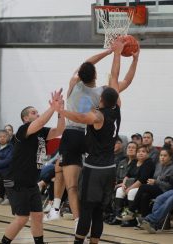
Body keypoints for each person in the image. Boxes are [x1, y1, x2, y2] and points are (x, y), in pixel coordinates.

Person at [45, 40, 139, 223]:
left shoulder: (74, 83)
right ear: (95, 75)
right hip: (89, 138)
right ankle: (56, 206)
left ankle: (69, 215)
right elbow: (125, 80)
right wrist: (132, 59)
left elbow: (86, 66)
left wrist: (110, 51)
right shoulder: (104, 94)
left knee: (71, 184)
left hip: (73, 132)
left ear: (81, 74)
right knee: (59, 168)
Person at [0, 89, 65, 244]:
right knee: (22, 218)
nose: (37, 114)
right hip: (15, 181)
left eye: (37, 112)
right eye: (34, 112)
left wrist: (60, 111)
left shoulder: (42, 132)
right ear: (25, 118)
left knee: (37, 215)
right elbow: (41, 121)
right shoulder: (23, 130)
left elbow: (60, 130)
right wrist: (53, 107)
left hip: (30, 182)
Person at [57, 87, 121, 244]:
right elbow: (116, 82)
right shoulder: (117, 110)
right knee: (98, 212)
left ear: (101, 99)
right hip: (110, 169)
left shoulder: (99, 116)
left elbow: (79, 118)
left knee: (86, 211)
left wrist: (60, 110)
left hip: (95, 170)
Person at [120, 145, 173, 222]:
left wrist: (156, 182)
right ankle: (144, 220)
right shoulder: (158, 165)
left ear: (170, 157)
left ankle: (131, 210)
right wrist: (153, 182)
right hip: (156, 188)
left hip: (165, 191)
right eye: (161, 155)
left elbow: (170, 185)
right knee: (144, 196)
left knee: (143, 187)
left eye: (165, 156)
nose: (162, 157)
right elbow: (154, 179)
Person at [112, 145, 155, 225]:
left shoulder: (149, 163)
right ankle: (118, 217)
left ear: (148, 154)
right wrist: (124, 184)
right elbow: (127, 175)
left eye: (143, 152)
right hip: (131, 185)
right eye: (139, 152)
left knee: (131, 192)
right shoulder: (135, 161)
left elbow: (142, 180)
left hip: (142, 186)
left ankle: (132, 220)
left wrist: (129, 188)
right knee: (119, 190)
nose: (140, 153)